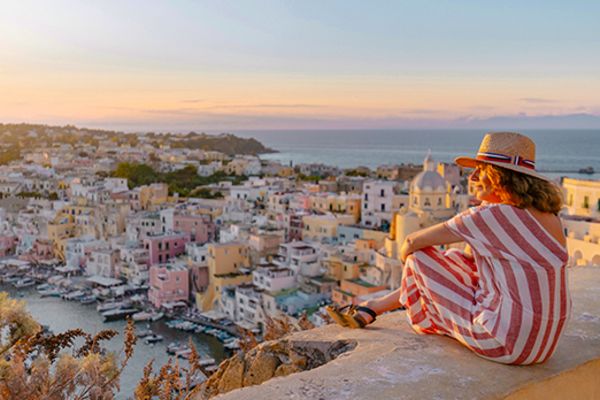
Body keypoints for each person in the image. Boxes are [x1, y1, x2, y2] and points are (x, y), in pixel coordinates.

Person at [327, 132, 570, 365]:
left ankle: (375, 309)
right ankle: (374, 307)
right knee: (456, 258)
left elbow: (412, 243)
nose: (472, 177)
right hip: (544, 345)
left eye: (481, 170)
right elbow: (468, 261)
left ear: (499, 177)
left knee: (418, 257)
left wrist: (411, 268)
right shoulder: (551, 218)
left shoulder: (493, 215)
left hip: (505, 343)